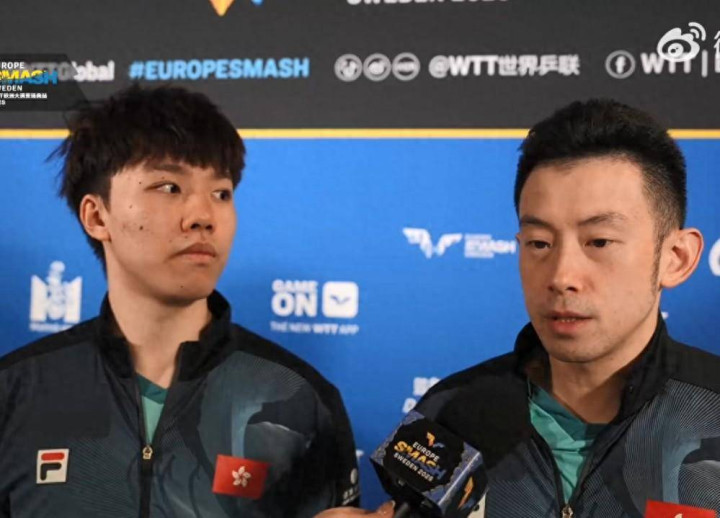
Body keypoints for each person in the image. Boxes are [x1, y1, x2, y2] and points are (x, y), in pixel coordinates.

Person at [321, 98, 718, 517]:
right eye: (539, 244)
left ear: (676, 257)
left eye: (599, 241)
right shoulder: (451, 414)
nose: (562, 275)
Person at [0, 85, 360, 517]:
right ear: (97, 216)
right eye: (169, 187)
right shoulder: (15, 392)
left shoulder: (298, 398)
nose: (203, 217)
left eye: (221, 193)